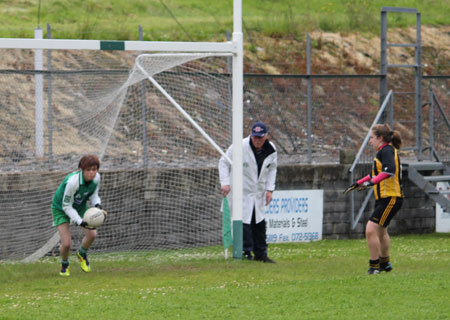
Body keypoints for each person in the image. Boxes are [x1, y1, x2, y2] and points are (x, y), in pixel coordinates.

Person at [218, 122, 277, 263]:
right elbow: (223, 162)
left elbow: (272, 169)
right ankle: (245, 252)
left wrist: (270, 189)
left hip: (258, 193)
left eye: (260, 138)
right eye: (255, 137)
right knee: (244, 223)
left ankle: (261, 254)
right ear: (251, 135)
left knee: (259, 223)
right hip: (240, 192)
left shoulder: (271, 149)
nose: (257, 140)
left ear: (266, 136)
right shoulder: (239, 146)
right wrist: (225, 183)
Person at [348, 124, 403, 274]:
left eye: (371, 138)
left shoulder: (386, 151)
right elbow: (376, 174)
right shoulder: (384, 152)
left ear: (380, 138)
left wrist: (371, 183)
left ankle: (374, 266)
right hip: (385, 198)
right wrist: (359, 183)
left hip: (390, 197)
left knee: (370, 230)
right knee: (381, 231)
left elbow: (389, 171)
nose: (370, 141)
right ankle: (385, 263)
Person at [51, 154, 105, 276]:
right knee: (66, 244)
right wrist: (79, 221)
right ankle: (65, 264)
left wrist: (97, 205)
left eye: (94, 169)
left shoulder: (96, 178)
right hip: (61, 208)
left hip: (79, 206)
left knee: (92, 235)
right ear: (82, 169)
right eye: (88, 170)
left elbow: (93, 194)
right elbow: (66, 206)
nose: (92, 173)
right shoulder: (72, 182)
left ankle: (82, 253)